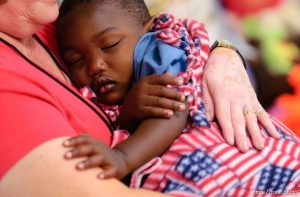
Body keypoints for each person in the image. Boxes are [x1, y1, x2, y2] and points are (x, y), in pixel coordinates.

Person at [0, 0, 294, 197]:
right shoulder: (65, 29)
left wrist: (224, 53)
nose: (94, 67)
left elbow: (174, 107)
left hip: (249, 160)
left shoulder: (57, 18)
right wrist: (127, 116)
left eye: (111, 45)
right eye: (74, 60)